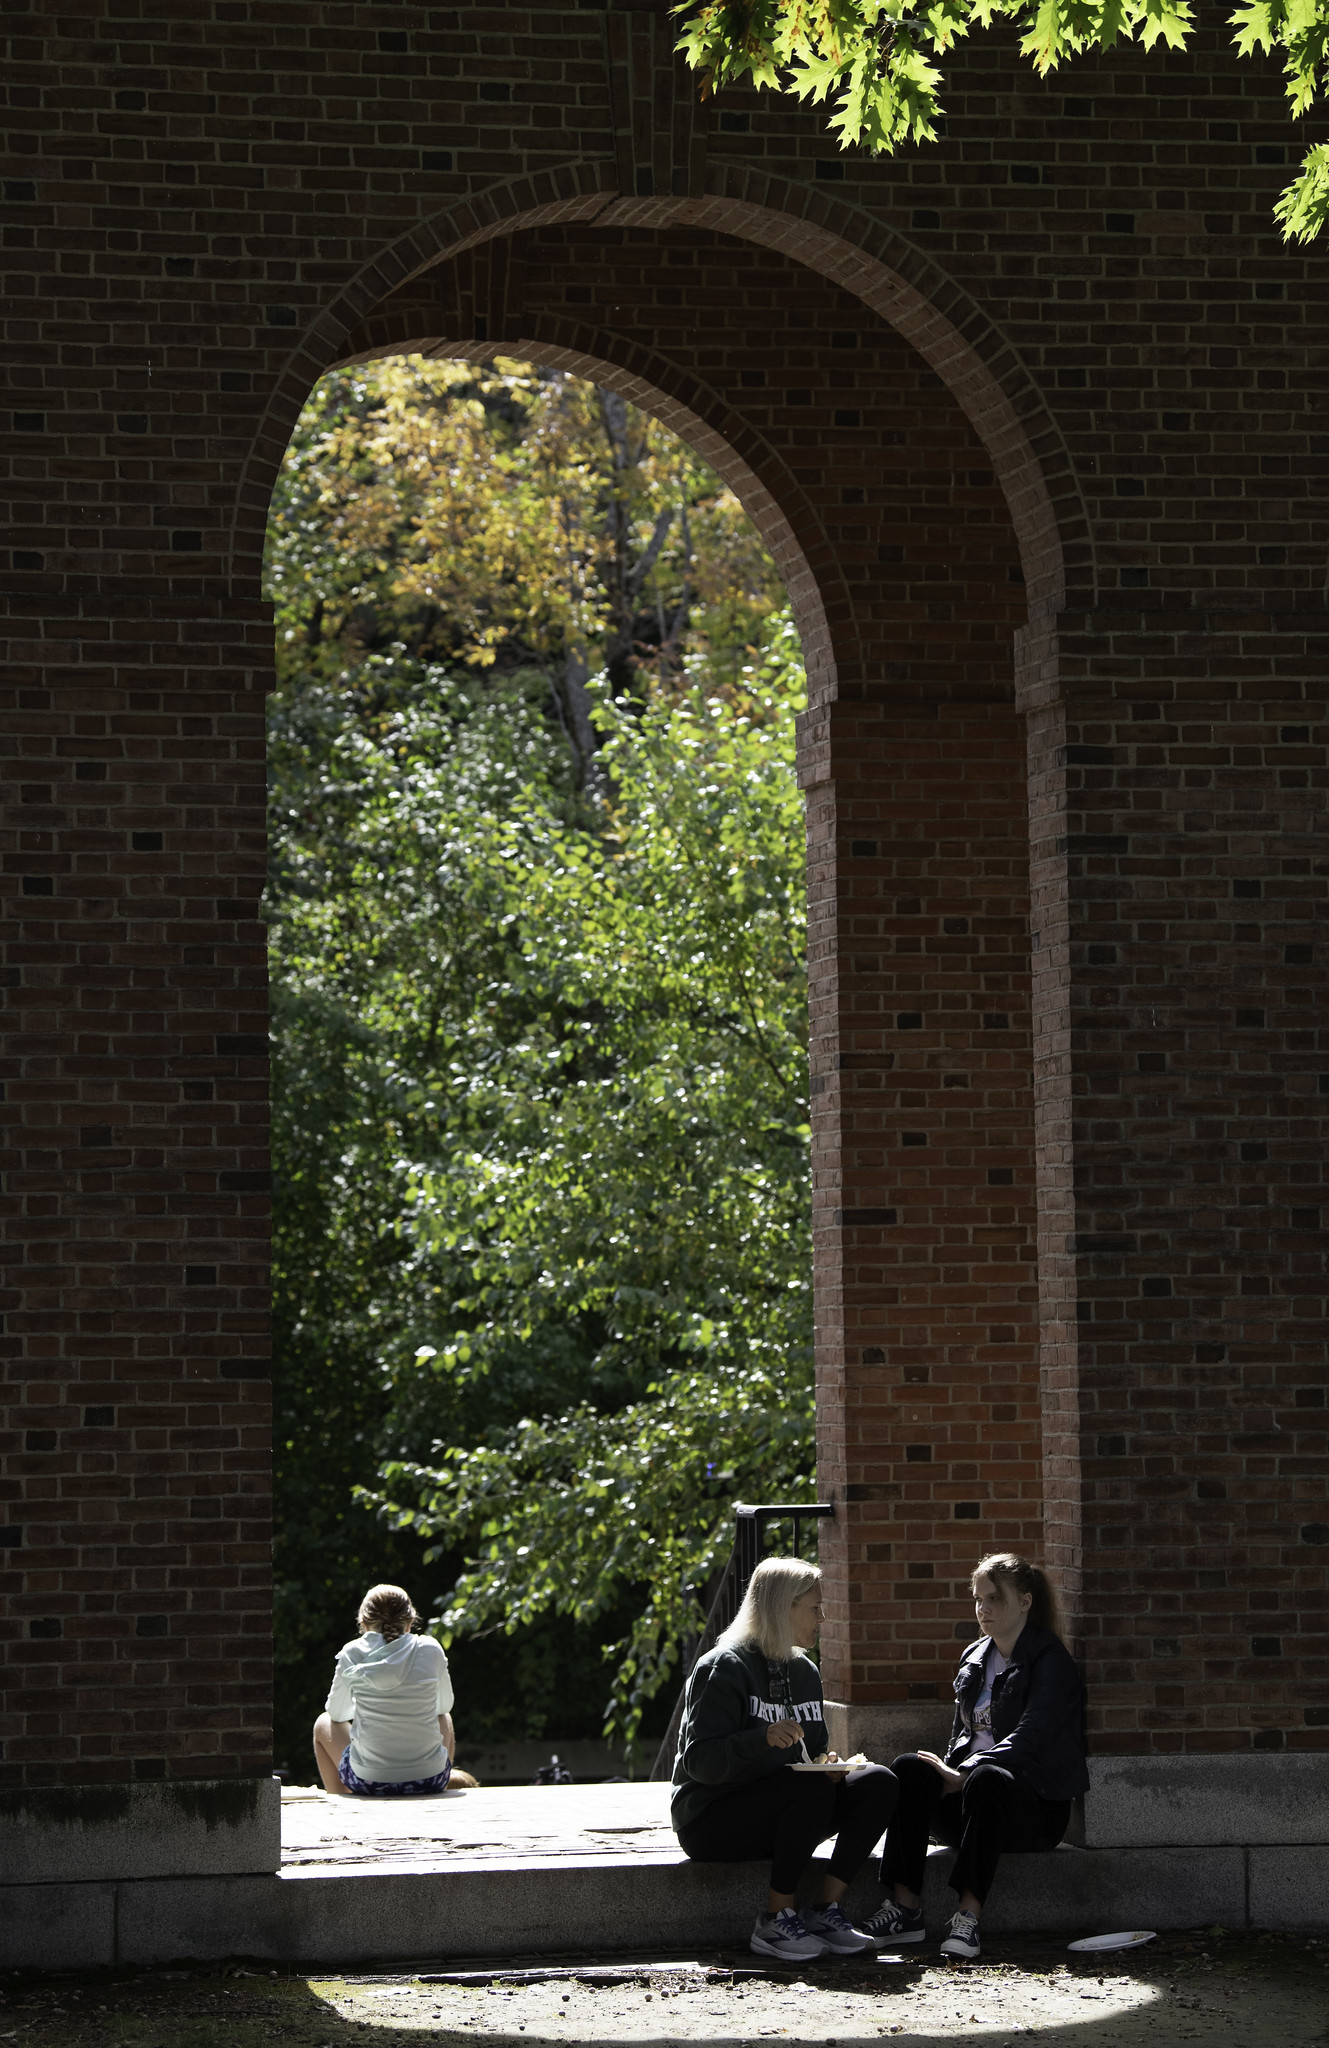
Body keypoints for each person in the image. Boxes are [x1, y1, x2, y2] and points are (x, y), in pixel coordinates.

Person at [861, 1551, 1089, 1962]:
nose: (983, 1609)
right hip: (972, 1801)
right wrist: (948, 1771)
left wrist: (966, 1772)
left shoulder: (1050, 1659)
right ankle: (904, 1909)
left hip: (1032, 1809)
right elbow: (963, 1734)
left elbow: (1032, 1735)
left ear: (1025, 1601)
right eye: (978, 1599)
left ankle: (967, 1918)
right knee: (909, 1768)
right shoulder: (974, 1656)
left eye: (994, 1599)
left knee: (988, 1777)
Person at [672, 1557, 899, 1962]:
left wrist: (828, 1764)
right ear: (783, 1607)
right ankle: (776, 1919)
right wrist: (760, 1739)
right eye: (815, 1608)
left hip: (782, 1808)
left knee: (880, 1780)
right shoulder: (724, 1667)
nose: (823, 1617)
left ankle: (824, 1911)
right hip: (711, 1820)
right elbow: (699, 1761)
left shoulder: (805, 1672)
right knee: (808, 1786)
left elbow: (809, 1753)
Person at [312, 1583, 459, 1797]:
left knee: (323, 1722)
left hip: (367, 1781)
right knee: (443, 1716)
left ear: (363, 1622)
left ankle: (340, 1800)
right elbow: (444, 1706)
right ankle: (438, 1789)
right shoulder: (430, 1648)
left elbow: (337, 1715)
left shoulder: (352, 1653)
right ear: (410, 1621)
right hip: (431, 1779)